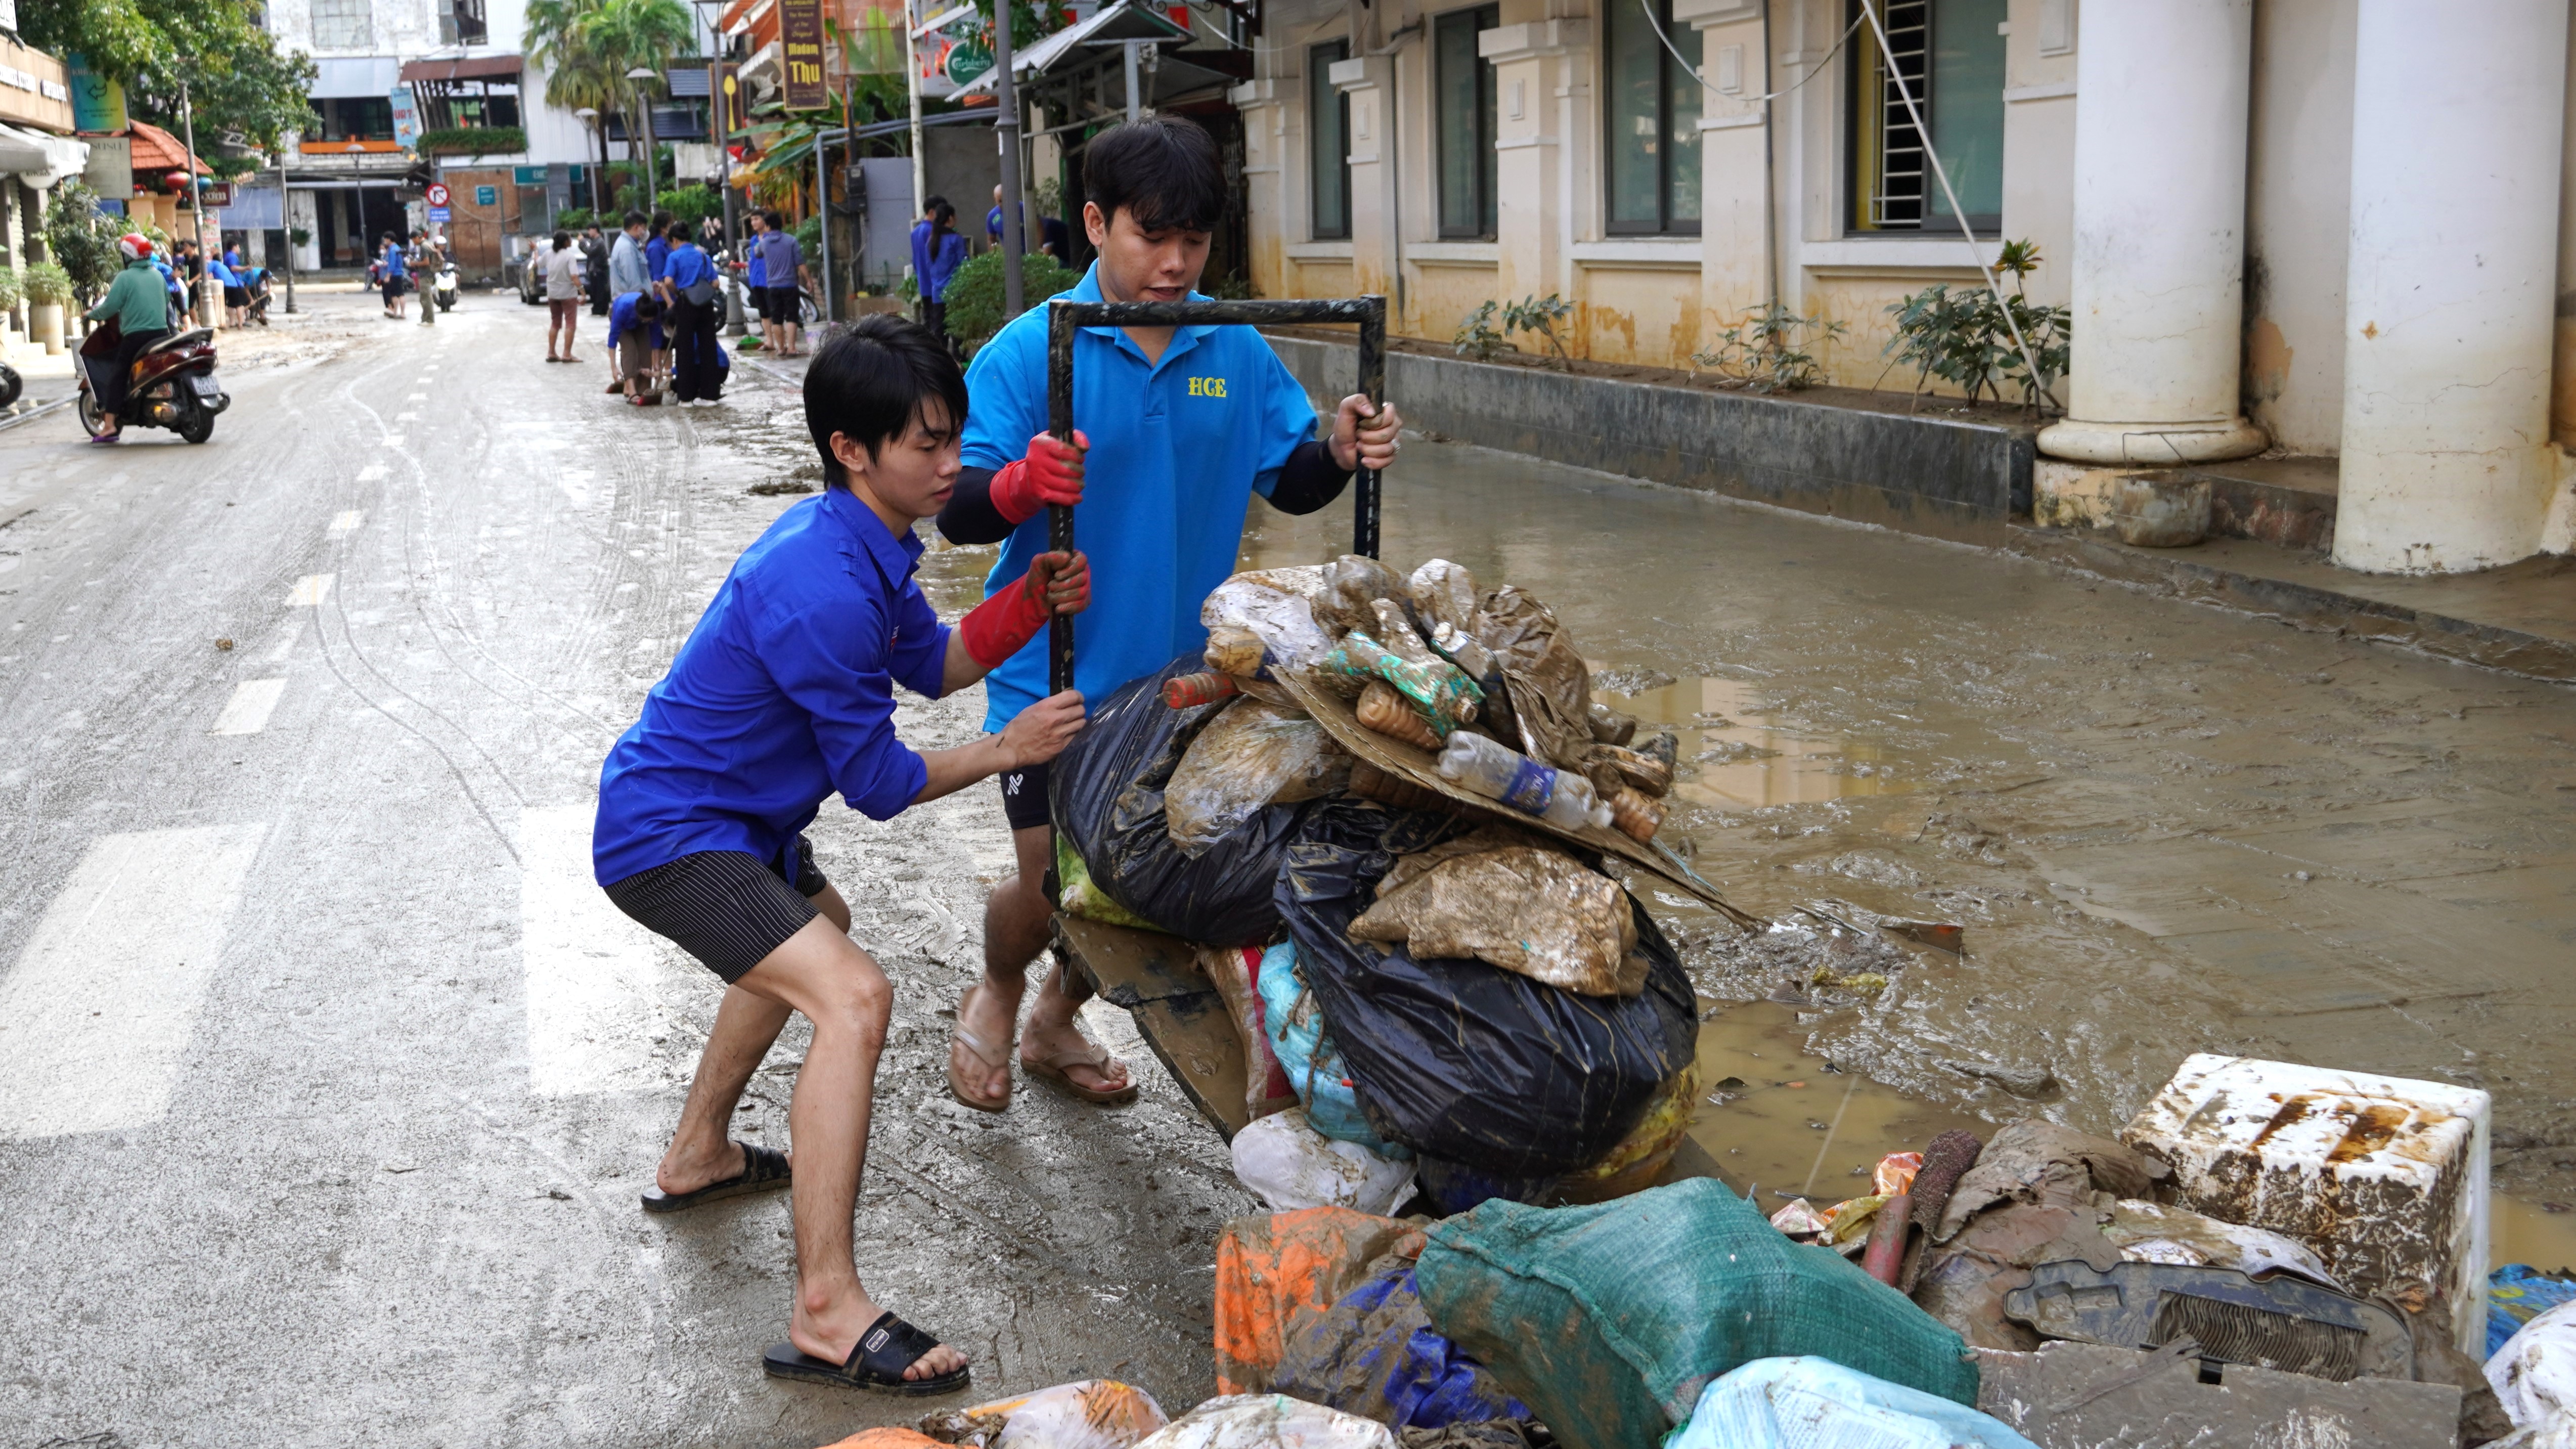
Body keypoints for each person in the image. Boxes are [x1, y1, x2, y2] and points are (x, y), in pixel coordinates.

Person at [592, 314, 1089, 1394]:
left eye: (956, 439)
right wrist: (1009, 746)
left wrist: (1024, 603)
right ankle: (827, 1309)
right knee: (854, 995)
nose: (954, 467)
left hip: (738, 824)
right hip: (671, 836)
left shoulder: (863, 544)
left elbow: (936, 660)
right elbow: (878, 785)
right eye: (929, 446)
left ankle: (700, 1154)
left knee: (826, 939)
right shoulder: (819, 580)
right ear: (853, 450)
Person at [934, 116, 1405, 1111]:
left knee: (1145, 881)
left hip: (1186, 678)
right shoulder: (1032, 353)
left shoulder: (1230, 342)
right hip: (1055, 670)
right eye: (1155, 237)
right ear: (1097, 225)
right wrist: (1023, 482)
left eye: (1196, 242)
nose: (1178, 262)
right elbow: (961, 512)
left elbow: (1294, 477)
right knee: (1045, 879)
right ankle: (1002, 986)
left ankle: (1057, 1016)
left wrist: (1344, 448)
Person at [82, 234, 175, 445]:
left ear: (129, 256)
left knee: (117, 376)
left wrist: (90, 315)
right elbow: (167, 299)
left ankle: (109, 426)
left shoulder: (125, 278)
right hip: (162, 335)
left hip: (136, 338)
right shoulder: (158, 276)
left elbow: (109, 307)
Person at [661, 219, 724, 404]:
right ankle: (710, 396)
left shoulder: (675, 257)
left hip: (686, 305)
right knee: (709, 349)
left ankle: (686, 398)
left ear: (674, 240)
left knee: (685, 350)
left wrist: (678, 292)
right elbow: (716, 283)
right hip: (705, 306)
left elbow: (667, 281)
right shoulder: (703, 257)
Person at [754, 209, 812, 357]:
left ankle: (781, 348)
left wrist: (762, 240)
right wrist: (809, 280)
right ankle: (792, 348)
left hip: (773, 286)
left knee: (777, 318)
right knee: (792, 316)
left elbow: (757, 253)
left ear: (767, 226)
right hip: (790, 285)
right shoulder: (791, 240)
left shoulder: (764, 243)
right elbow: (800, 263)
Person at [910, 198, 965, 342]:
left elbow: (918, 261)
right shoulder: (949, 237)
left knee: (935, 329)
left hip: (931, 288)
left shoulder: (920, 234)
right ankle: (959, 361)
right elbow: (964, 264)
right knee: (956, 330)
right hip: (951, 290)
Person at [606, 291, 667, 406]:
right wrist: (614, 367)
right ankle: (632, 391)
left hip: (641, 324)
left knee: (645, 352)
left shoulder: (654, 311)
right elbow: (613, 340)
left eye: (650, 320)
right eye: (646, 319)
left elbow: (656, 337)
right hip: (623, 323)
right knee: (630, 351)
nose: (648, 321)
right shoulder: (623, 309)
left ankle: (644, 390)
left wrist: (657, 363)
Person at [645, 208, 676, 388]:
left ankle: (667, 376)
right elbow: (659, 278)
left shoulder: (665, 245)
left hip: (667, 297)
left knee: (668, 341)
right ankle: (661, 377)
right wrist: (668, 301)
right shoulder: (657, 247)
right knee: (662, 339)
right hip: (661, 299)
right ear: (664, 227)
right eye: (671, 224)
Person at [544, 230, 586, 362]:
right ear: (565, 242)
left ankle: (551, 352)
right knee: (570, 323)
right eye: (569, 239)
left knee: (555, 323)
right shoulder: (569, 257)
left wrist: (534, 250)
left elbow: (537, 262)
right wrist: (583, 292)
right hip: (568, 294)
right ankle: (567, 354)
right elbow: (574, 276)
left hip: (552, 293)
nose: (571, 241)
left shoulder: (548, 254)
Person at [743, 211, 771, 340]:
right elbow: (753, 261)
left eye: (756, 219)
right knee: (764, 313)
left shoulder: (771, 238)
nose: (753, 222)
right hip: (756, 280)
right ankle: (770, 340)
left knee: (775, 312)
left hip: (770, 279)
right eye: (752, 220)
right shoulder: (754, 240)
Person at [207, 247, 246, 328]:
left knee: (221, 304)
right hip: (235, 285)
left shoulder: (213, 263)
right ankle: (239, 324)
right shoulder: (223, 266)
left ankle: (222, 323)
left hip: (225, 285)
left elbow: (205, 273)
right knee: (236, 305)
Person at [583, 224, 613, 318]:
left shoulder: (599, 242)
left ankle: (600, 309)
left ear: (595, 230)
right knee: (596, 291)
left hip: (599, 271)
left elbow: (590, 252)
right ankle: (598, 308)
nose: (589, 233)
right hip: (595, 271)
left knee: (600, 291)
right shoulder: (595, 241)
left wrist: (582, 242)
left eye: (590, 230)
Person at [415, 232, 445, 327]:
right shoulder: (429, 244)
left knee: (426, 298)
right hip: (430, 274)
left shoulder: (424, 246)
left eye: (413, 240)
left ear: (416, 238)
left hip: (426, 275)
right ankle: (425, 319)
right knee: (424, 298)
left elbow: (426, 262)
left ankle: (429, 320)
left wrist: (414, 264)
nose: (413, 242)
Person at [379, 231, 410, 319]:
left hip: (394, 274)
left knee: (396, 295)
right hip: (399, 273)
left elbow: (392, 265)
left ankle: (399, 312)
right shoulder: (397, 248)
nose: (385, 242)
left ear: (389, 239)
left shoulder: (392, 250)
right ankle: (398, 312)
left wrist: (388, 276)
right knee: (399, 294)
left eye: (385, 240)